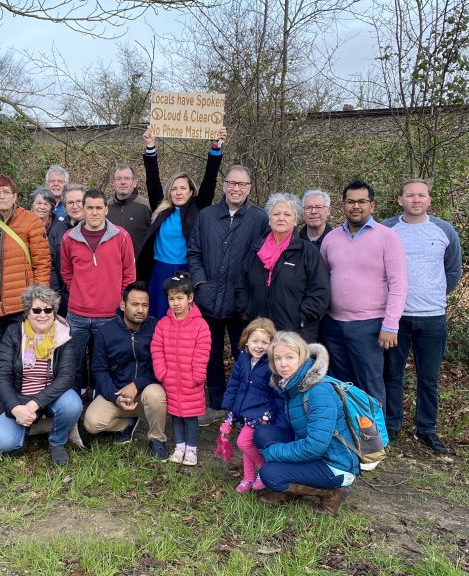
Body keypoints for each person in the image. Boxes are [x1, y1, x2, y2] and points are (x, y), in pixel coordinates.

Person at [381, 179, 463, 452]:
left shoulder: (444, 230)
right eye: (410, 195)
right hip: (395, 318)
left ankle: (426, 428)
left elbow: (453, 272)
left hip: (432, 317)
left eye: (421, 195)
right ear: (400, 200)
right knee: (391, 374)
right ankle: (391, 425)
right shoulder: (386, 229)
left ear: (429, 199)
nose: (416, 200)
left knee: (428, 377)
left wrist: (433, 293)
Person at [187, 162, 269, 426]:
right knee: (209, 355)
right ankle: (217, 404)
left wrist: (248, 294)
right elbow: (194, 252)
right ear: (224, 186)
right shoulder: (207, 216)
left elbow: (263, 260)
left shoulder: (259, 219)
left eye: (241, 184)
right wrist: (200, 284)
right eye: (232, 183)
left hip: (240, 303)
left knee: (244, 355)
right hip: (208, 300)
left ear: (249, 188)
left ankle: (245, 407)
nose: (236, 188)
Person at [319, 179, 407, 408]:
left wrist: (391, 324)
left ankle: (375, 438)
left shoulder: (388, 237)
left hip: (369, 325)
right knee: (339, 384)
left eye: (361, 201)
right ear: (343, 205)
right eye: (350, 202)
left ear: (372, 205)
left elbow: (399, 284)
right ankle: (346, 434)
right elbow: (323, 280)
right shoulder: (331, 239)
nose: (355, 206)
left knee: (370, 385)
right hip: (333, 325)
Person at [254, 332, 360, 513]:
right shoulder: (292, 385)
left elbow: (315, 446)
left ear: (302, 357)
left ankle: (332, 492)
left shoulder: (319, 391)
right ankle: (291, 485)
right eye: (277, 358)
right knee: (263, 434)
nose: (283, 364)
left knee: (270, 474)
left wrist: (274, 453)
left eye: (289, 357)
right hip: (317, 454)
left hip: (335, 464)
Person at [0, 284, 81, 466]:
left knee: (72, 404)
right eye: (36, 309)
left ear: (54, 312)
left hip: (49, 397)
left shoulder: (63, 335)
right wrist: (16, 408)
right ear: (27, 312)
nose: (43, 315)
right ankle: (39, 425)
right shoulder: (14, 333)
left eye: (48, 309)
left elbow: (66, 377)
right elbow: (1, 375)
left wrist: (34, 404)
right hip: (17, 396)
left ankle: (57, 442)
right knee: (4, 443)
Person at [138, 126, 225, 320]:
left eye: (183, 188)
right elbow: (152, 180)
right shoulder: (161, 207)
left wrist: (216, 147)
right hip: (159, 270)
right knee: (158, 317)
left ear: (191, 191)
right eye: (174, 188)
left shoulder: (199, 208)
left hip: (186, 271)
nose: (178, 192)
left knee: (183, 318)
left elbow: (210, 179)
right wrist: (150, 147)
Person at [0, 175, 52, 373]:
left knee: (24, 358)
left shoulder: (30, 220)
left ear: (15, 196)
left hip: (21, 304)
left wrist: (38, 301)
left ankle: (26, 399)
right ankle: (3, 399)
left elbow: (42, 264)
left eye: (7, 192)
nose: (2, 196)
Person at [60, 189, 136, 394]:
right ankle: (74, 406)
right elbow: (66, 271)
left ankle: (100, 402)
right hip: (77, 315)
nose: (94, 212)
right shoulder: (69, 238)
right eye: (89, 208)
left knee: (104, 363)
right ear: (83, 210)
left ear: (106, 210)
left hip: (109, 315)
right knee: (73, 363)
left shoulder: (121, 237)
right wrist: (77, 290)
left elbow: (129, 273)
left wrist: (120, 298)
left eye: (98, 208)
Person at [85, 281, 169, 460]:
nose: (140, 310)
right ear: (123, 305)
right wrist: (115, 397)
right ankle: (128, 423)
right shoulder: (105, 332)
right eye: (135, 304)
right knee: (91, 423)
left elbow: (164, 366)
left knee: (156, 394)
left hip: (146, 392)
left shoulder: (157, 328)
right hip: (118, 393)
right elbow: (99, 370)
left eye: (145, 305)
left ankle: (156, 439)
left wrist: (137, 384)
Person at [237, 193, 330, 342]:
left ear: (295, 220)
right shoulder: (256, 250)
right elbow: (241, 283)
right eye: (276, 214)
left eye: (287, 214)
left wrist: (301, 318)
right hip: (260, 332)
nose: (281, 218)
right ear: (269, 219)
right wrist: (246, 310)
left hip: (295, 333)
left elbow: (320, 292)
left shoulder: (307, 252)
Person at [151, 272, 211, 466]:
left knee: (191, 416)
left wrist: (198, 375)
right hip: (171, 379)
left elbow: (203, 350)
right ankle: (179, 446)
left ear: (190, 298)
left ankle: (192, 448)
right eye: (171, 299)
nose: (175, 303)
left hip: (191, 379)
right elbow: (156, 348)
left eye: (179, 298)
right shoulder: (163, 324)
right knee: (176, 414)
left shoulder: (200, 325)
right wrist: (162, 372)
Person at [220, 318, 284, 493]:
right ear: (246, 341)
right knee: (249, 446)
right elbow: (234, 383)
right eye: (255, 341)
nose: (259, 346)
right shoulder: (243, 358)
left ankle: (265, 471)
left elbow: (277, 394)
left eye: (265, 342)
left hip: (262, 415)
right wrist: (230, 407)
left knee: (244, 443)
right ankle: (248, 478)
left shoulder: (272, 365)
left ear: (272, 343)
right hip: (244, 411)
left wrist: (274, 416)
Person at [30, 187, 69, 314]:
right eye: (39, 203)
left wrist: (59, 289)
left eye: (46, 204)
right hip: (29, 284)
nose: (42, 207)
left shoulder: (61, 227)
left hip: (56, 287)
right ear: (32, 205)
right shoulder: (22, 225)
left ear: (52, 207)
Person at [106, 163, 152, 255]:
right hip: (112, 265)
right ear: (113, 183)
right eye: (118, 179)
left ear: (134, 183)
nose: (123, 182)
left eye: (127, 178)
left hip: (140, 266)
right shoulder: (105, 208)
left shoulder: (146, 206)